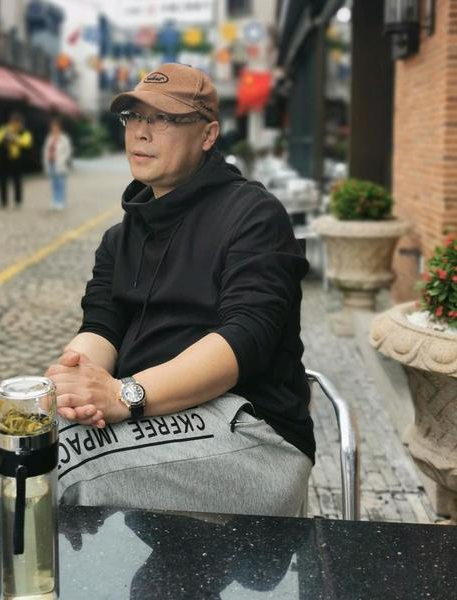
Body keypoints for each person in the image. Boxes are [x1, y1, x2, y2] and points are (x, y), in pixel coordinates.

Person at [45, 63, 314, 517]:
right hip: (153, 416)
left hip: (254, 433)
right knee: (31, 434)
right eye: (134, 116)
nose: (141, 132)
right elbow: (102, 324)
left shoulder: (254, 216)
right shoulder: (120, 237)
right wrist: (72, 382)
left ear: (208, 135)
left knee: (56, 463)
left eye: (164, 118)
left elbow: (246, 337)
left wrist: (122, 395)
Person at [0, 112, 33, 208]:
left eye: (16, 123)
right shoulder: (4, 129)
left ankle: (18, 201)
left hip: (16, 159)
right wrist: (6, 134)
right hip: (4, 158)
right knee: (2, 180)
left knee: (17, 180)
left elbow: (27, 142)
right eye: (13, 122)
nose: (14, 125)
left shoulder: (24, 132)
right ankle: (3, 202)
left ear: (20, 123)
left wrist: (15, 138)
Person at [42, 117, 73, 210]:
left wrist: (62, 160)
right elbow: (46, 150)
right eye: (53, 127)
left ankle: (61, 202)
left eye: (56, 126)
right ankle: (55, 201)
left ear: (59, 127)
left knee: (61, 184)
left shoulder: (63, 138)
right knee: (54, 184)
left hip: (60, 164)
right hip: (51, 163)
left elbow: (68, 151)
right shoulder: (49, 138)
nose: (54, 128)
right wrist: (46, 161)